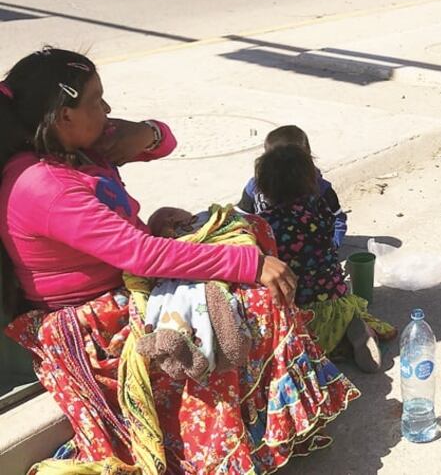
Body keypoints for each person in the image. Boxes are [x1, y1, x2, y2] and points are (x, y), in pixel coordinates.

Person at [0, 48, 358, 472]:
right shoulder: (43, 185)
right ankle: (224, 445)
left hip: (128, 276)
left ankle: (259, 417)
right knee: (251, 297)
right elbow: (139, 253)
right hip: (92, 318)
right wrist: (248, 266)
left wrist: (144, 138)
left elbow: (165, 142)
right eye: (97, 100)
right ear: (64, 116)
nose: (108, 108)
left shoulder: (77, 150)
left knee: (251, 230)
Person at [251, 142, 397, 373]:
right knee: (341, 300)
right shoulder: (319, 210)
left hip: (299, 310)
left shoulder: (264, 225)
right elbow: (329, 239)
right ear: (311, 181)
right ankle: (354, 331)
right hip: (334, 300)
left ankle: (325, 350)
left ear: (262, 188)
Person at [237, 125, 348, 249]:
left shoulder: (320, 188)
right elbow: (239, 218)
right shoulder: (255, 186)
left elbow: (337, 219)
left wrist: (333, 246)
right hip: (270, 257)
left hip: (311, 256)